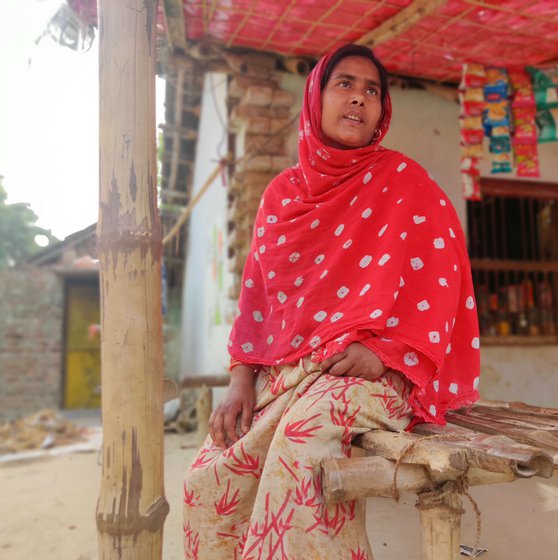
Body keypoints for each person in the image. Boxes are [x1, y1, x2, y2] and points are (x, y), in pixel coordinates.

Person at [183, 43, 480, 560]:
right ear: (315, 98)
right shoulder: (282, 194)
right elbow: (259, 296)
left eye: (372, 91)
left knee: (298, 453)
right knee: (209, 476)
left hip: (373, 375)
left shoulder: (403, 182)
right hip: (290, 374)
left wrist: (387, 355)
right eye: (344, 84)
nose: (359, 99)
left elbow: (443, 283)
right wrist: (239, 381)